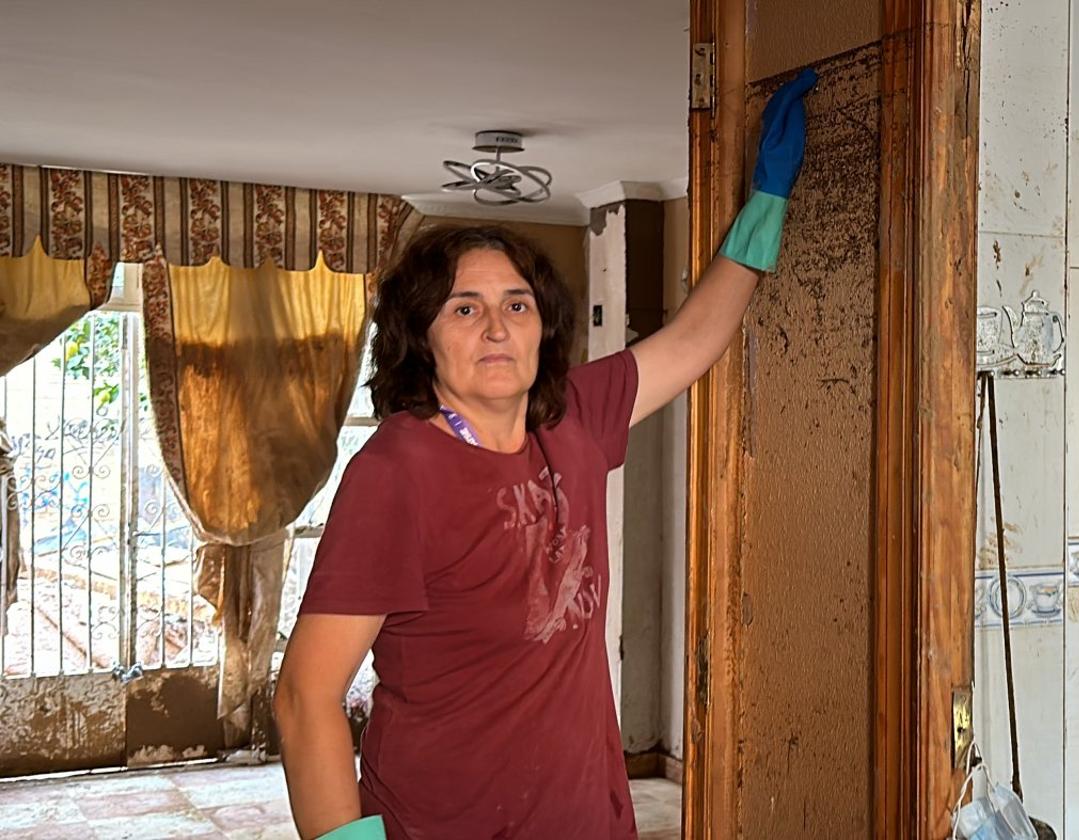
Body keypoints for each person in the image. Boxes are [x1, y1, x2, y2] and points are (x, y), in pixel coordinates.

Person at [274, 67, 817, 840]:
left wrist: (765, 206)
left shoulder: (573, 416)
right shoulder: (398, 472)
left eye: (516, 305)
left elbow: (694, 339)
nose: (496, 328)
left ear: (543, 327)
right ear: (420, 342)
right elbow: (305, 695)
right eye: (465, 308)